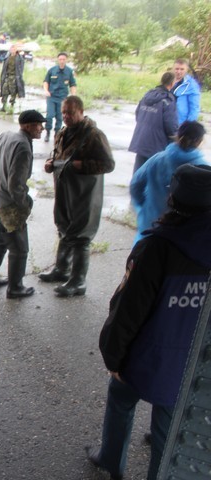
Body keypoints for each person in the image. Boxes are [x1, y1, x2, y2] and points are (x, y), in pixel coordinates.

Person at [86, 163, 211, 480]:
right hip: (190, 362)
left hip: (144, 355)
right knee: (168, 424)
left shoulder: (157, 247)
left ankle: (112, 460)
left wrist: (113, 355)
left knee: (121, 399)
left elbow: (129, 309)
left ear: (173, 200)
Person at [39, 96, 115, 297]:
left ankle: (78, 281)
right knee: (63, 228)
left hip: (85, 195)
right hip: (65, 191)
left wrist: (83, 165)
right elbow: (60, 157)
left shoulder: (94, 135)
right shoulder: (63, 133)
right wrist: (50, 162)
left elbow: (108, 164)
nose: (66, 116)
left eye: (70, 113)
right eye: (64, 112)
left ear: (81, 112)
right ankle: (61, 270)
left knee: (81, 237)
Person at [0, 110, 46, 299]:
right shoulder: (23, 147)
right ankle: (15, 287)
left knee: (1, 240)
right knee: (19, 248)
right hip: (9, 205)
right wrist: (25, 203)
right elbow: (16, 184)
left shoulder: (6, 136)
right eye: (38, 124)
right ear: (27, 126)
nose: (42, 128)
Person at [130, 120, 207, 245]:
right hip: (181, 232)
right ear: (199, 141)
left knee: (142, 258)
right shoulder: (202, 168)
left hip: (150, 221)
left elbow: (136, 185)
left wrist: (143, 208)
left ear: (177, 136)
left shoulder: (158, 158)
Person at [128, 72, 178, 173]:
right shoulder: (168, 100)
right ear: (172, 84)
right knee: (154, 174)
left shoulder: (147, 95)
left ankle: (135, 188)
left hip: (141, 139)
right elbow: (170, 125)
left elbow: (138, 114)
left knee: (139, 171)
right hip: (157, 143)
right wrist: (175, 138)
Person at [43, 52, 77, 142]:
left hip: (62, 98)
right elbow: (46, 81)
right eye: (60, 59)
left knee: (60, 117)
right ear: (58, 60)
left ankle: (57, 134)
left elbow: (72, 84)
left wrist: (73, 96)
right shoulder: (52, 70)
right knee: (49, 115)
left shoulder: (69, 71)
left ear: (66, 60)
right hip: (52, 97)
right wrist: (46, 91)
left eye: (64, 59)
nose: (62, 61)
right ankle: (47, 133)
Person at [172, 58, 201, 124]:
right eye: (177, 69)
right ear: (173, 69)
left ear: (186, 70)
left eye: (182, 69)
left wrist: (189, 125)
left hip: (181, 123)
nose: (179, 72)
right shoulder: (168, 81)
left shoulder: (192, 85)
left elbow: (194, 107)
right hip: (167, 122)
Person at [0, 44, 25, 114]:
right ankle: (3, 106)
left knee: (13, 93)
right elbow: (4, 68)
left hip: (14, 77)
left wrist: (18, 77)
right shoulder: (7, 58)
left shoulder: (19, 58)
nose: (12, 50)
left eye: (13, 49)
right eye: (11, 49)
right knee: (4, 91)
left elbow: (21, 69)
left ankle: (11, 106)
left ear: (16, 50)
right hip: (7, 77)